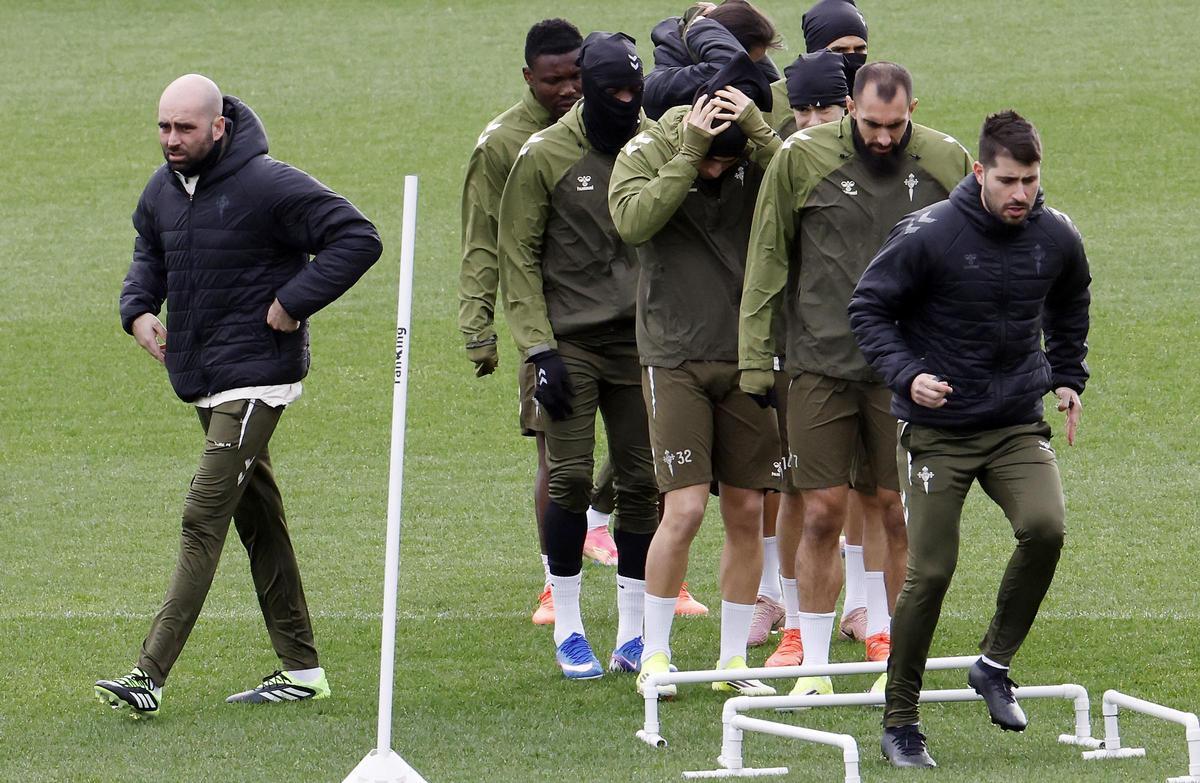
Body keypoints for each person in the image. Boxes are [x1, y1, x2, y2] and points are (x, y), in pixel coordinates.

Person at [94, 74, 382, 717]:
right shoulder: (163, 188)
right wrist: (138, 309)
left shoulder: (268, 184)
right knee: (259, 521)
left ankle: (147, 676)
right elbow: (150, 247)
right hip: (206, 376)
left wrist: (292, 303)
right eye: (164, 127)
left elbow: (358, 238)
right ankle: (303, 670)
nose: (171, 140)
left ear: (218, 126)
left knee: (204, 514)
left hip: (257, 376)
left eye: (185, 129)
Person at [849, 110, 1090, 768]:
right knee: (930, 571)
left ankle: (992, 664)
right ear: (980, 172)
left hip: (1014, 422)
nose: (1021, 194)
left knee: (1045, 526)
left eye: (1031, 181)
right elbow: (867, 307)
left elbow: (1072, 297)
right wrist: (908, 374)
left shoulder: (1055, 235)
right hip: (940, 430)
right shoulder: (930, 234)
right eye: (1008, 180)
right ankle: (900, 719)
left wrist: (1067, 374)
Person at [738, 62, 972, 699]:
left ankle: (897, 659)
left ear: (913, 111)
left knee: (897, 512)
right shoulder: (801, 159)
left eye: (897, 124)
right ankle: (813, 663)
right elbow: (767, 257)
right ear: (849, 108)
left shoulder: (945, 161)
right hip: (819, 364)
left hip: (906, 369)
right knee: (820, 512)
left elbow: (976, 253)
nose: (883, 136)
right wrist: (755, 359)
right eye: (871, 123)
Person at [611, 54, 783, 698]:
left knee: (745, 508)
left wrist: (760, 136)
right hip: (674, 355)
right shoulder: (648, 151)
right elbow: (632, 223)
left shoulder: (754, 153)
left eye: (726, 162)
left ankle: (732, 663)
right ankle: (654, 655)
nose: (719, 171)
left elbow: (810, 184)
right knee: (682, 508)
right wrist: (688, 157)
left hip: (746, 353)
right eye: (715, 157)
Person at [498, 31, 660, 680]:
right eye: (613, 92)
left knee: (643, 481)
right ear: (588, 91)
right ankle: (567, 623)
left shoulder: (656, 143)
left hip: (645, 343)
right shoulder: (544, 156)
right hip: (570, 342)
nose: (626, 103)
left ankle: (632, 631)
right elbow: (517, 256)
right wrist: (540, 349)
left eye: (634, 91)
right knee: (567, 479)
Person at [456, 20, 625, 625]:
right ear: (529, 77)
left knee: (651, 452)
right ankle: (554, 583)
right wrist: (479, 327)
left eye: (577, 75)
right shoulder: (504, 144)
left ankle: (624, 546)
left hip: (628, 322)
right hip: (550, 327)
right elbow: (484, 241)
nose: (569, 89)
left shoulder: (616, 123)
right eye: (554, 80)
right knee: (557, 462)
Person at [643, 0, 781, 120]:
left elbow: (774, 94)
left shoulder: (713, 66)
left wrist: (727, 16)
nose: (749, 72)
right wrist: (702, 26)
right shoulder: (661, 84)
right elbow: (730, 64)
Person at [765, 0, 868, 133]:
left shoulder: (876, 93)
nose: (851, 57)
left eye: (859, 49)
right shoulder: (773, 100)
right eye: (839, 50)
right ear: (815, 51)